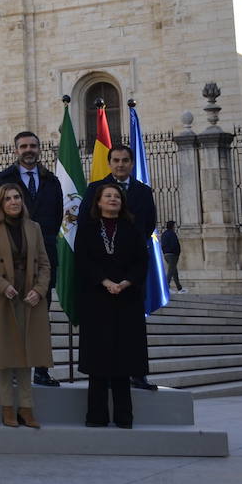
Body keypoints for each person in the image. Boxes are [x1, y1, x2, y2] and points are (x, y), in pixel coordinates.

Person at [0, 131, 62, 387]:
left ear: (39, 149)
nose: (29, 150)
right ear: (15, 150)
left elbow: (57, 217)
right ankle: (16, 368)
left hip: (42, 259)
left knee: (40, 317)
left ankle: (41, 369)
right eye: (23, 146)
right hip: (10, 264)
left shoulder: (52, 181)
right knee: (12, 319)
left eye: (33, 146)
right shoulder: (2, 179)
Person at [82, 144, 159, 391]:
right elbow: (85, 222)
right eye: (115, 160)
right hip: (102, 272)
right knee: (103, 330)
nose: (120, 164)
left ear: (132, 163)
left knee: (132, 328)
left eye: (125, 160)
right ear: (109, 163)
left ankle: (138, 373)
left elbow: (149, 224)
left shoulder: (143, 191)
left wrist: (130, 247)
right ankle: (104, 373)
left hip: (130, 270)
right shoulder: (96, 189)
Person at [0, 183, 52, 428]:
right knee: (6, 356)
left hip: (29, 296)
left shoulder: (34, 227)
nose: (13, 202)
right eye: (8, 198)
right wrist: (2, 286)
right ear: (0, 203)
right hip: (4, 297)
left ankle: (27, 409)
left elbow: (45, 264)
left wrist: (39, 290)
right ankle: (7, 407)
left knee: (28, 353)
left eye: (17, 197)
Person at [76, 184, 149, 429]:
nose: (112, 199)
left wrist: (126, 282)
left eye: (117, 196)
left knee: (124, 359)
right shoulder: (87, 229)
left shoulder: (132, 228)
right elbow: (83, 261)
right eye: (107, 196)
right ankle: (96, 415)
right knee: (98, 359)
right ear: (98, 202)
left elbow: (142, 262)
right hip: (96, 299)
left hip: (127, 300)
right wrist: (105, 282)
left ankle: (124, 416)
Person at [161, 221, 185, 293]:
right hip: (172, 255)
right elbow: (175, 244)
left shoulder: (164, 234)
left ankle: (179, 288)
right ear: (172, 226)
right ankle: (166, 287)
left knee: (174, 272)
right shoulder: (172, 234)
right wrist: (177, 252)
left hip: (166, 254)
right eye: (174, 226)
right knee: (171, 271)